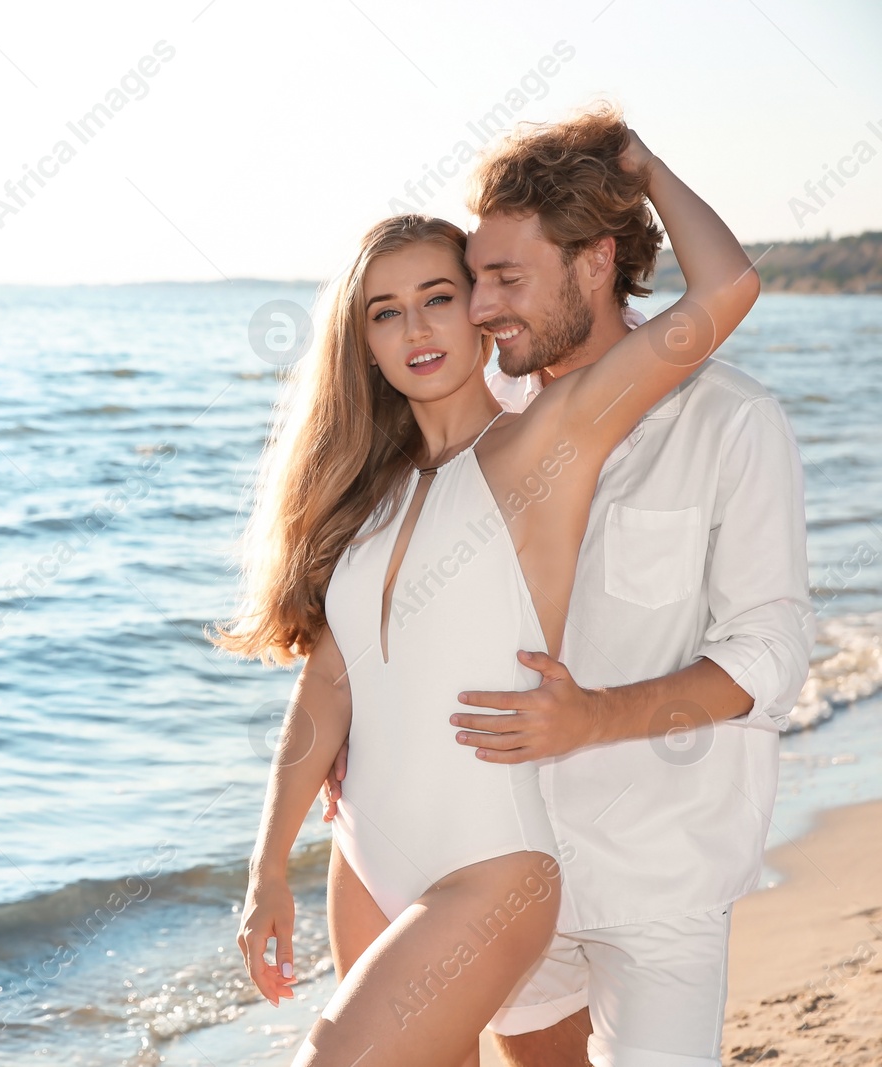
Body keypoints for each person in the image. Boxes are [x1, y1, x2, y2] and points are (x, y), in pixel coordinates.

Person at [212, 110, 762, 1066]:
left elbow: (726, 286)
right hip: (367, 861)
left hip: (490, 871)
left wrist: (645, 168)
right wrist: (268, 866)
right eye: (386, 311)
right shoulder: (368, 494)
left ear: (479, 309)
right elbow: (329, 688)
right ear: (365, 342)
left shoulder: (545, 440)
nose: (417, 327)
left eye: (439, 296)